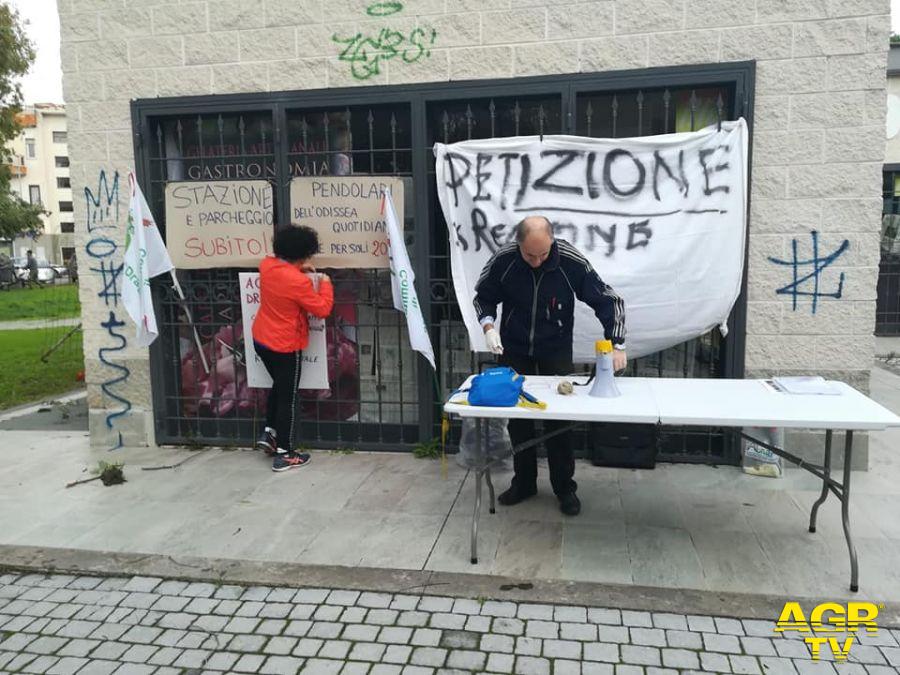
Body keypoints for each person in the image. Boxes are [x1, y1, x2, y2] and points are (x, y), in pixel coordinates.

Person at [473, 216, 626, 516]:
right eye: (530, 255)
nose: (537, 261)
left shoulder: (568, 261)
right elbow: (483, 298)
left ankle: (564, 487)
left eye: (544, 254)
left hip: (555, 349)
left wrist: (617, 342)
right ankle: (525, 482)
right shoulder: (504, 261)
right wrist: (488, 326)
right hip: (514, 349)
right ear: (518, 245)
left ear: (552, 242)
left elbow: (608, 300)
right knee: (519, 419)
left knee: (559, 422)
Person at [252, 225, 334, 472]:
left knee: (278, 387)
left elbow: (283, 274)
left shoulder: (266, 266)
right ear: (302, 254)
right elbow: (321, 309)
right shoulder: (298, 282)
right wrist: (326, 283)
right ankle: (285, 453)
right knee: (288, 397)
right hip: (285, 345)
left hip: (262, 339)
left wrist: (298, 267)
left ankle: (269, 434)